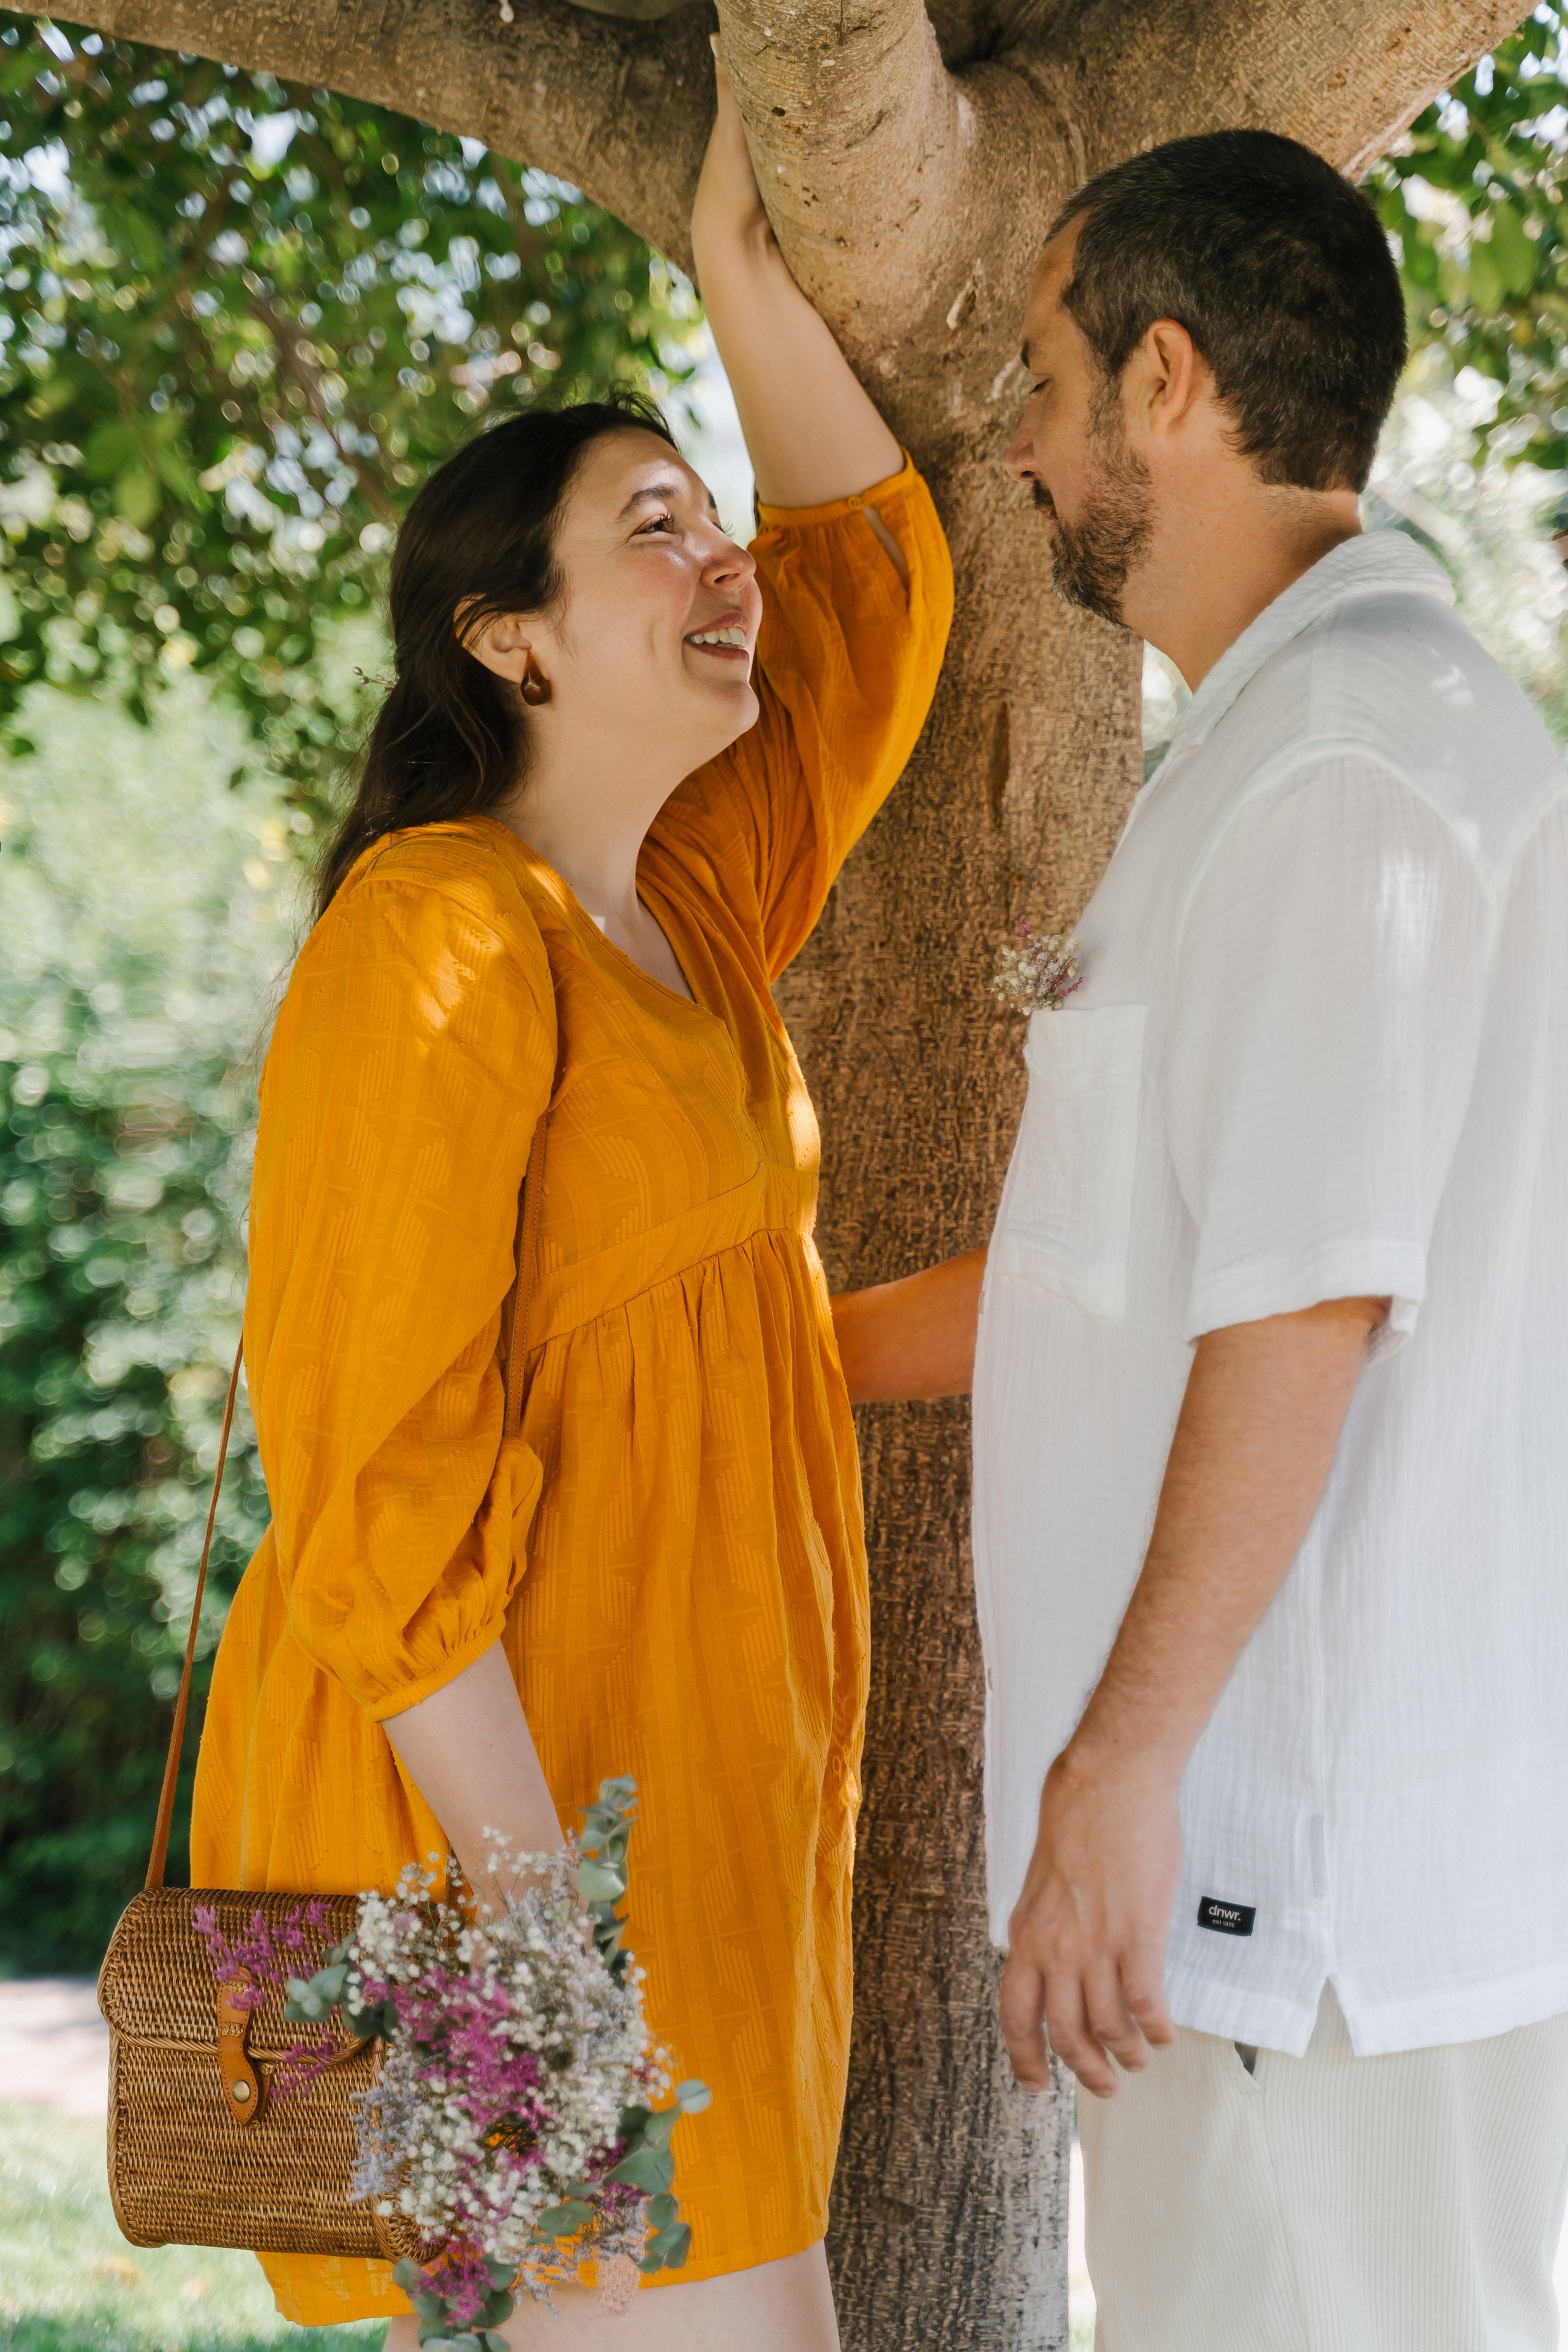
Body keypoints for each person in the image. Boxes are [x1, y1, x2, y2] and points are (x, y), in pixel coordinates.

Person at [190, 48, 951, 2352]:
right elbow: (371, 1461)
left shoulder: (685, 913)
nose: (724, 563)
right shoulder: (440, 929)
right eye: (652, 528)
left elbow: (861, 598)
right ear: (504, 638)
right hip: (524, 1859)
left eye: (709, 520)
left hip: (699, 1823)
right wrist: (544, 1935)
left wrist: (739, 265)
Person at [832, 129, 1568, 2350]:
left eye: (1045, 382)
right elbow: (1120, 1280)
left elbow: (1301, 1309)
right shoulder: (1288, 747)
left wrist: (1123, 1768)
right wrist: (723, 1348)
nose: (1017, 444)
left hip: (1290, 1892)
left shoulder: (1340, 768)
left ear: (1167, 382)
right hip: (1253, 1914)